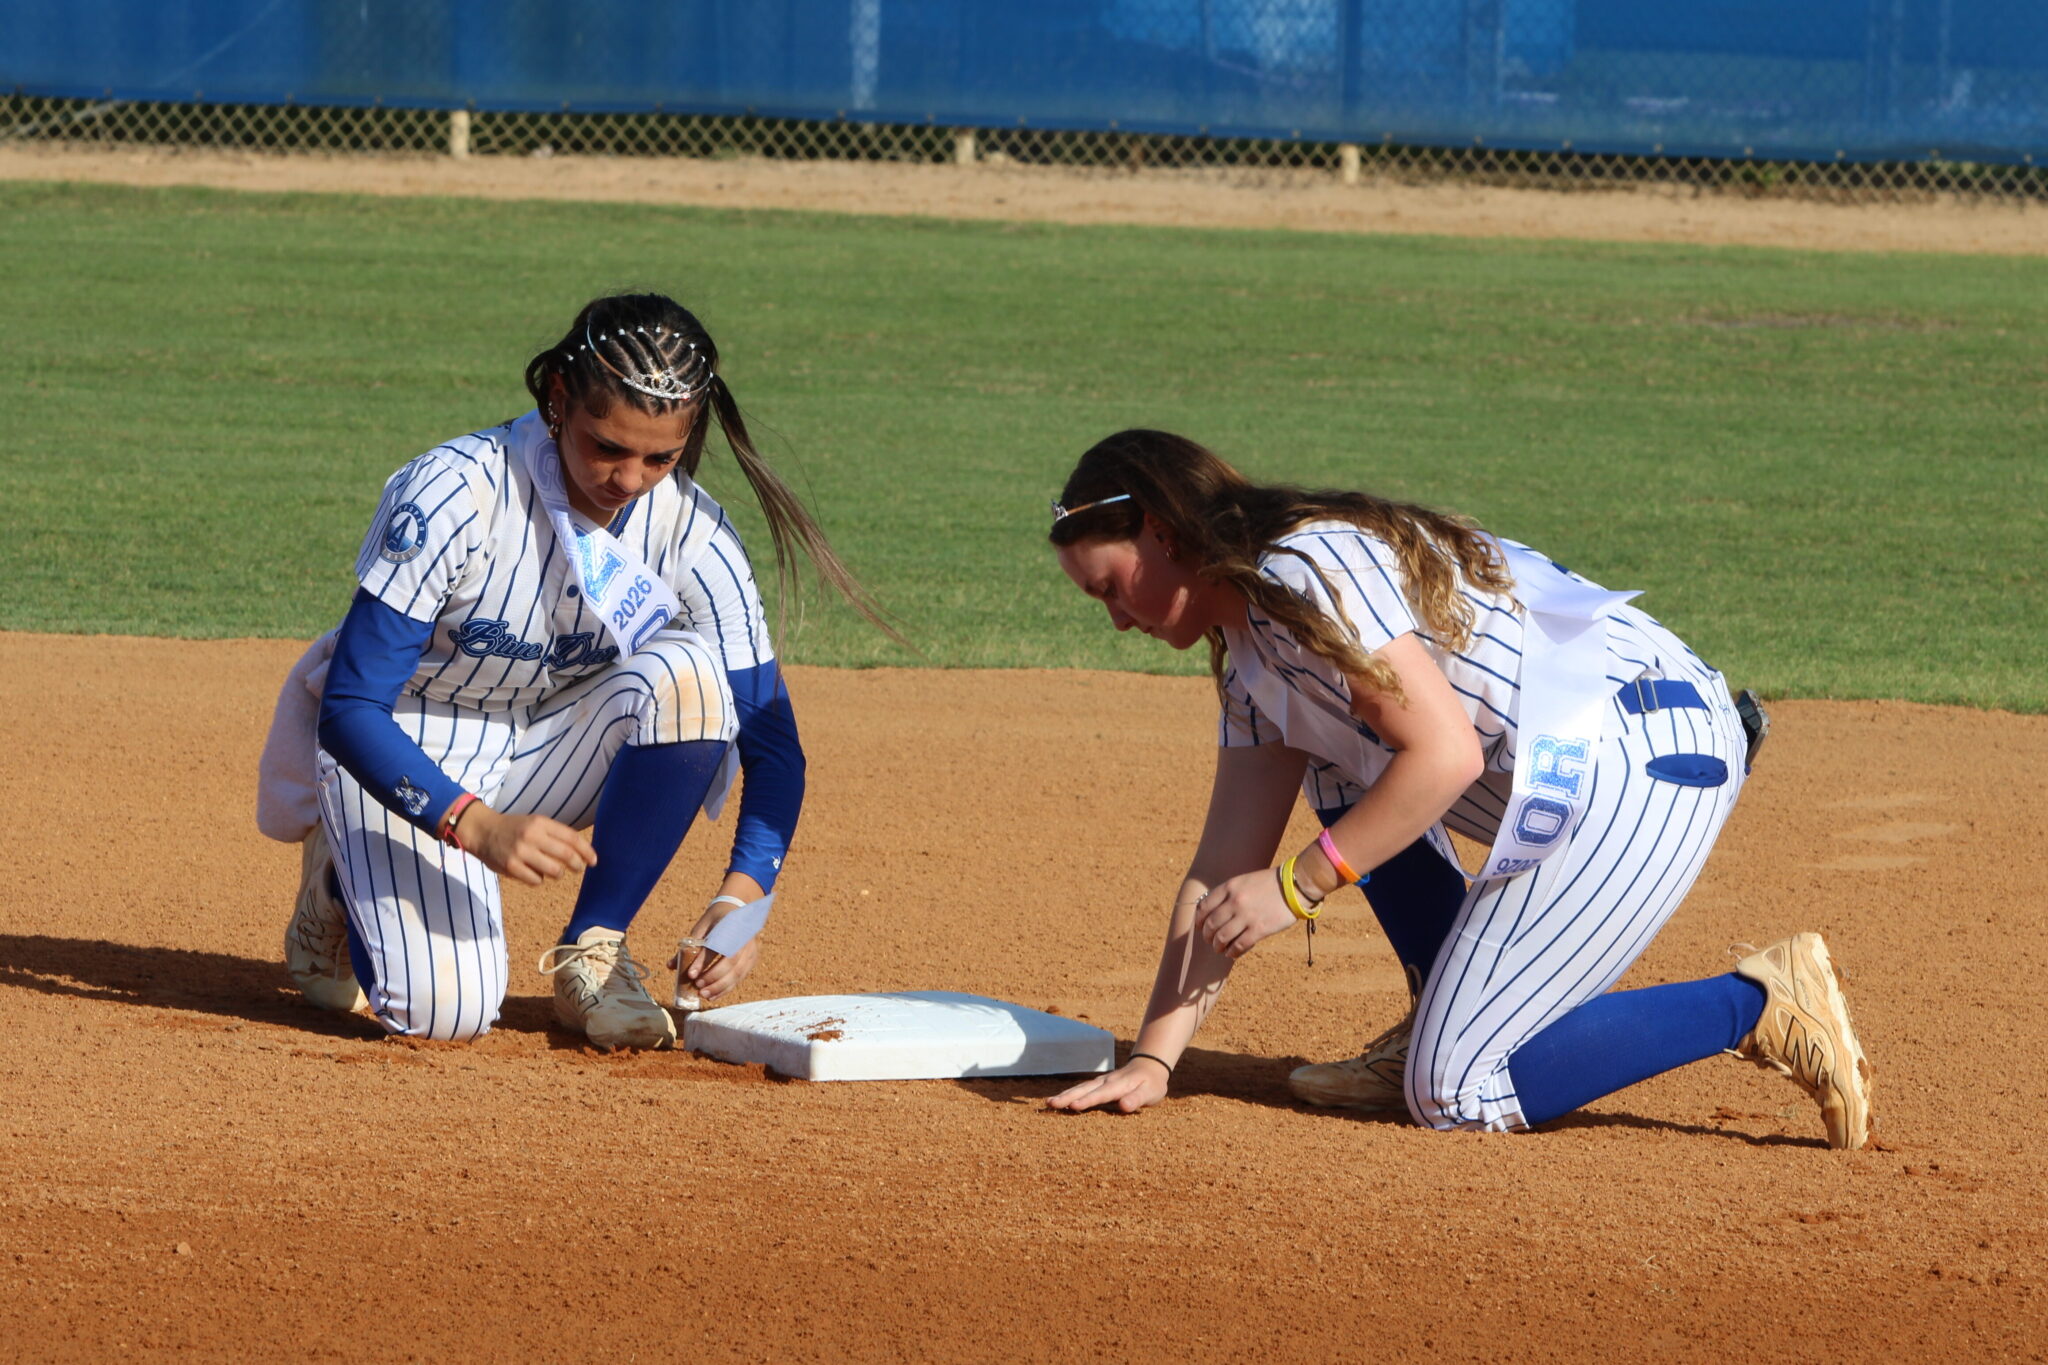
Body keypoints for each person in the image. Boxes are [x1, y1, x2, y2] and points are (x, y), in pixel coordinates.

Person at [1041, 429, 1873, 1149]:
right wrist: (1154, 1058)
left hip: (1646, 749)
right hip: (1566, 755)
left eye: (1111, 585)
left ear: (1160, 529)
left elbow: (1443, 756)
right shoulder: (1253, 654)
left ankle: (1755, 1001)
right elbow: (1222, 868)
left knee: (1457, 1092)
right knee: (1334, 751)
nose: (1117, 619)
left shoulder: (1304, 565)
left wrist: (1299, 885)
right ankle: (1440, 1011)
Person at [258, 291, 887, 1048]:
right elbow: (353, 704)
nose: (630, 478)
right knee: (443, 1015)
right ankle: (335, 882)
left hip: (550, 739)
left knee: (691, 676)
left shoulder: (694, 532)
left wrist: (743, 899)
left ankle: (594, 948)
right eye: (607, 447)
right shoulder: (459, 490)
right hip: (402, 744)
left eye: (661, 456)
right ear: (558, 400)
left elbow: (774, 746)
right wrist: (472, 822)